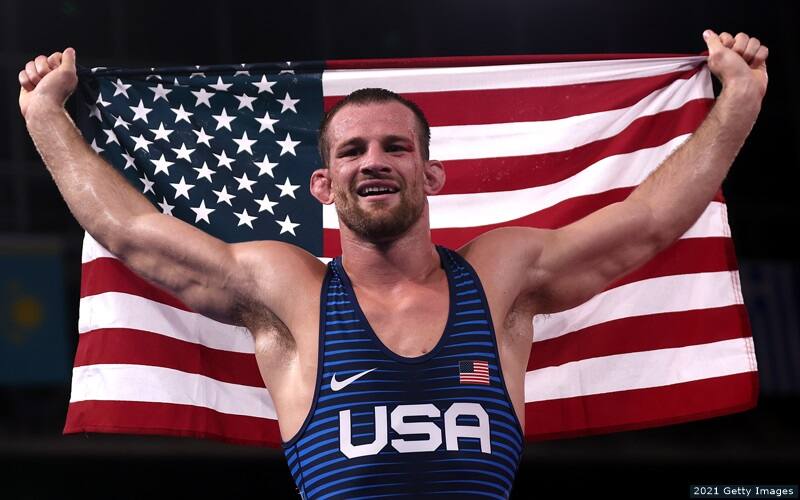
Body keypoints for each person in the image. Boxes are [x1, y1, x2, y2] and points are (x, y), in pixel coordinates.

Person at [19, 29, 767, 499]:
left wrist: (737, 102)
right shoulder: (291, 288)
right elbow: (134, 231)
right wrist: (45, 116)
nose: (374, 162)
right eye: (352, 150)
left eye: (395, 147)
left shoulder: (500, 275)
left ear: (432, 175)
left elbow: (648, 224)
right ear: (324, 184)